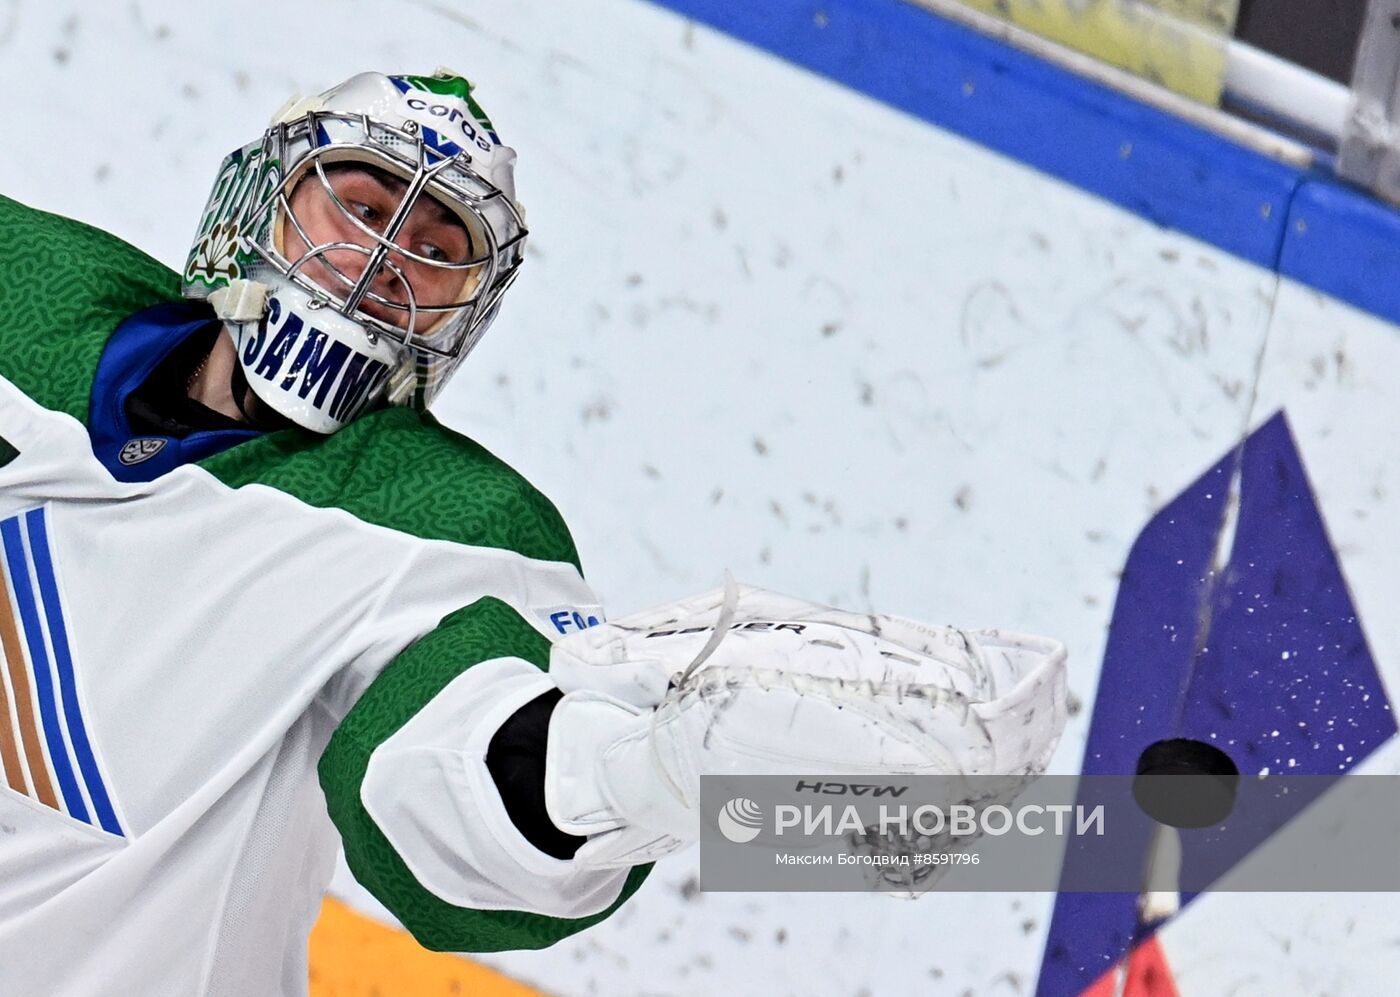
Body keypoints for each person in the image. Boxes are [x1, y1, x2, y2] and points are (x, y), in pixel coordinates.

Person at [0, 70, 1068, 994]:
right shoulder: (28, 297)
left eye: (434, 248)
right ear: (262, 201)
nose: (386, 261)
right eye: (360, 204)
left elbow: (449, 773)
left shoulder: (439, 526)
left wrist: (631, 776)